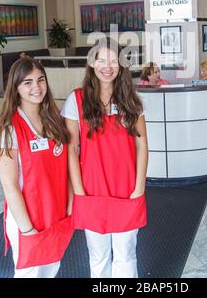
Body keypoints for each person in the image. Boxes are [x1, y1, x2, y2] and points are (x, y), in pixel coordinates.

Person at [62, 37, 148, 278]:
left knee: (126, 254)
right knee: (98, 255)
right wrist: (79, 191)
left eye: (113, 61)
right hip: (91, 190)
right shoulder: (76, 100)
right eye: (101, 60)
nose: (107, 66)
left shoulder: (131, 100)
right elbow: (72, 148)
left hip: (126, 188)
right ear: (92, 63)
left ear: (121, 65)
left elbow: (142, 145)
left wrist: (139, 186)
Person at [0, 58, 72, 278]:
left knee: (51, 270)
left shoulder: (54, 118)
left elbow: (65, 168)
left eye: (40, 80)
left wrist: (69, 206)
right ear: (16, 87)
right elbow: (9, 186)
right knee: (30, 273)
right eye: (27, 82)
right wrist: (27, 230)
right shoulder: (8, 127)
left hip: (56, 213)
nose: (36, 87)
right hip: (28, 219)